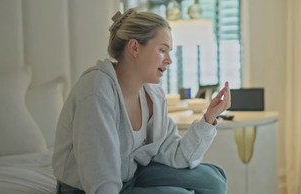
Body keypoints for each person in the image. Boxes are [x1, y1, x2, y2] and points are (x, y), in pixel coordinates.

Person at [52, 7, 231, 194]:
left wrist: (208, 119)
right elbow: (100, 178)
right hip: (93, 188)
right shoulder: (96, 89)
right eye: (163, 50)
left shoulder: (153, 95)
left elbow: (178, 155)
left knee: (213, 181)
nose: (169, 60)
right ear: (135, 48)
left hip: (131, 175)